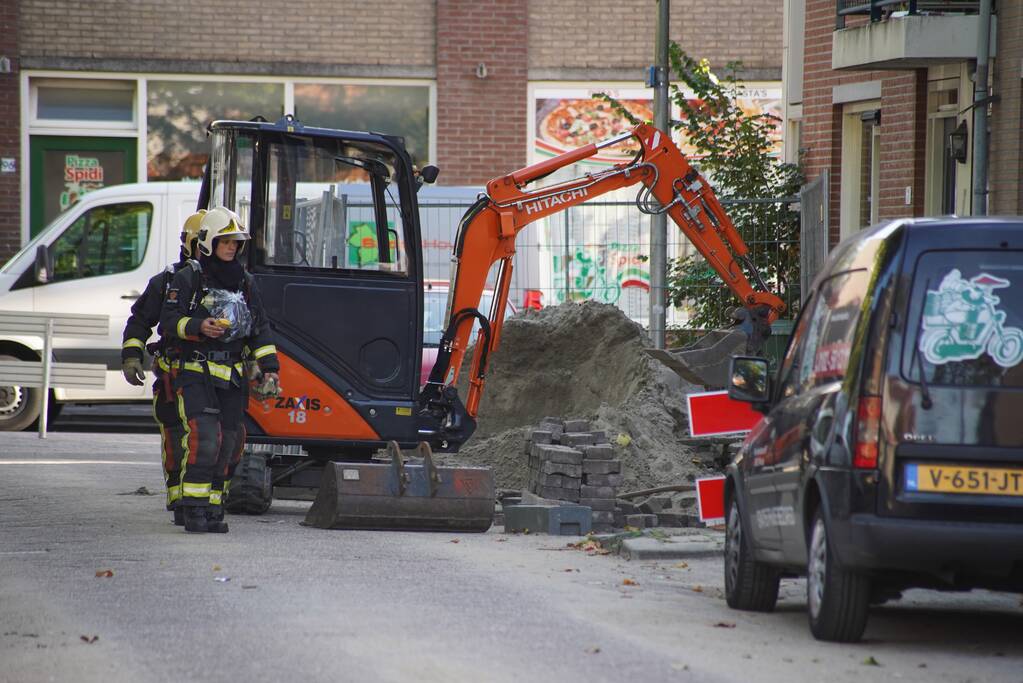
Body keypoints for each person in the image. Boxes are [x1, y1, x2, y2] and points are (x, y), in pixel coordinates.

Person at [159, 206, 281, 533]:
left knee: (230, 441)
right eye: (225, 241)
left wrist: (270, 369)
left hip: (233, 376)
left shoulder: (246, 282)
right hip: (195, 373)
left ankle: (214, 508)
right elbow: (168, 322)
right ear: (210, 242)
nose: (231, 247)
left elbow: (260, 329)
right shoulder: (189, 278)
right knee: (204, 439)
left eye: (236, 242)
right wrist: (200, 325)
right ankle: (192, 509)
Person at [121, 210, 206, 526]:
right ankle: (180, 499)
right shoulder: (168, 281)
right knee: (176, 438)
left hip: (215, 379)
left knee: (211, 440)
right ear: (190, 244)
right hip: (175, 374)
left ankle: (204, 501)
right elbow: (140, 321)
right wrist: (132, 356)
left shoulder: (231, 281)